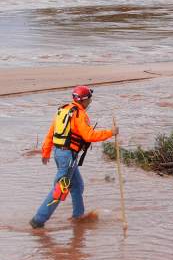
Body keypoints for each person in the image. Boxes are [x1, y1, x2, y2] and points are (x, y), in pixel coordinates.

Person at [30, 86, 117, 229]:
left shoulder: (63, 111)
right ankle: (38, 220)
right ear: (84, 100)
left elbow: (51, 133)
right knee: (60, 189)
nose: (90, 101)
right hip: (68, 156)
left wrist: (46, 153)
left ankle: (78, 216)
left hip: (61, 154)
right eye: (89, 98)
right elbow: (89, 136)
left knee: (77, 186)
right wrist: (110, 132)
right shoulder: (79, 115)